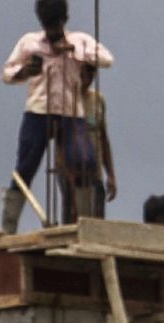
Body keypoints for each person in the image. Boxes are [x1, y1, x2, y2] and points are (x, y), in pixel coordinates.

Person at [0, 0, 114, 234]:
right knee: (26, 166)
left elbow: (107, 59)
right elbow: (7, 74)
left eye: (56, 25)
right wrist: (26, 71)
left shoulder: (80, 40)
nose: (52, 32)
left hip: (71, 113)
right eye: (48, 26)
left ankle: (85, 223)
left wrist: (75, 51)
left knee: (84, 161)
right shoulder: (30, 42)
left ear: (65, 20)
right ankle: (8, 227)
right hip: (38, 111)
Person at [59, 70, 117, 222]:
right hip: (71, 172)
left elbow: (103, 138)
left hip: (94, 171)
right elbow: (58, 140)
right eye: (83, 75)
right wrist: (66, 170)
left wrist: (111, 174)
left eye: (90, 76)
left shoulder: (98, 100)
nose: (86, 80)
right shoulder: (64, 100)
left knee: (96, 222)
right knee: (74, 221)